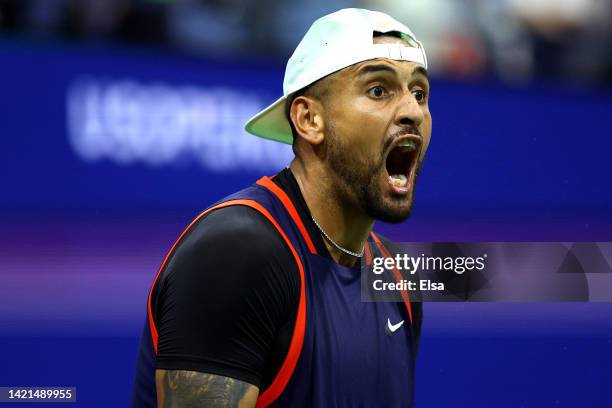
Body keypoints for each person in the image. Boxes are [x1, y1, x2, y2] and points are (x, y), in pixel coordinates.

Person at [132, 8, 431, 407]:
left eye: (420, 93)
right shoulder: (236, 254)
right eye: (379, 90)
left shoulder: (398, 275)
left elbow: (514, 275)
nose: (412, 111)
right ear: (309, 119)